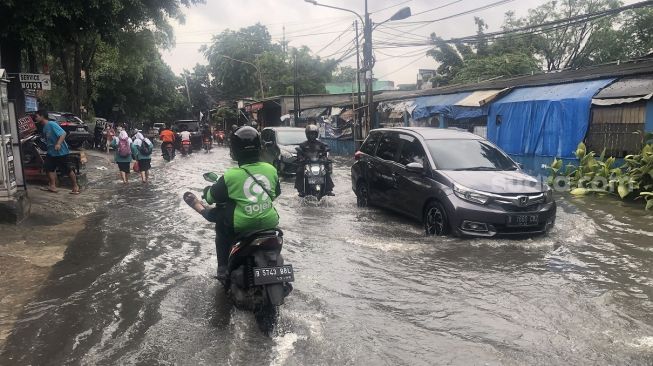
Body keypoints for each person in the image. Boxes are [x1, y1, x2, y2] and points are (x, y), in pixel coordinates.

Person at [184, 126, 281, 279]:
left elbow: (210, 198)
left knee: (221, 227)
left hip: (241, 226)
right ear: (259, 147)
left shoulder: (230, 176)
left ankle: (222, 267)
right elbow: (276, 194)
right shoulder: (271, 169)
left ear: (234, 150)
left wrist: (207, 192)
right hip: (270, 222)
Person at [34, 110, 81, 194]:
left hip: (61, 151)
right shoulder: (44, 127)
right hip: (51, 152)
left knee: (66, 169)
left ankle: (75, 186)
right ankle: (52, 186)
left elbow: (63, 133)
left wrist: (58, 144)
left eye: (37, 116)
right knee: (48, 167)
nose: (35, 118)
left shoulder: (52, 124)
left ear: (42, 116)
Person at [294, 124, 334, 196]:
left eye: (314, 134)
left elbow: (326, 153)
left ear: (316, 134)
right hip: (307, 164)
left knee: (326, 171)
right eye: (310, 134)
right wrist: (301, 159)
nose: (312, 136)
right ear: (307, 134)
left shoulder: (321, 144)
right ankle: (300, 190)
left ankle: (328, 189)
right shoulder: (303, 145)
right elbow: (299, 154)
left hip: (318, 163)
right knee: (299, 171)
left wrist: (326, 158)